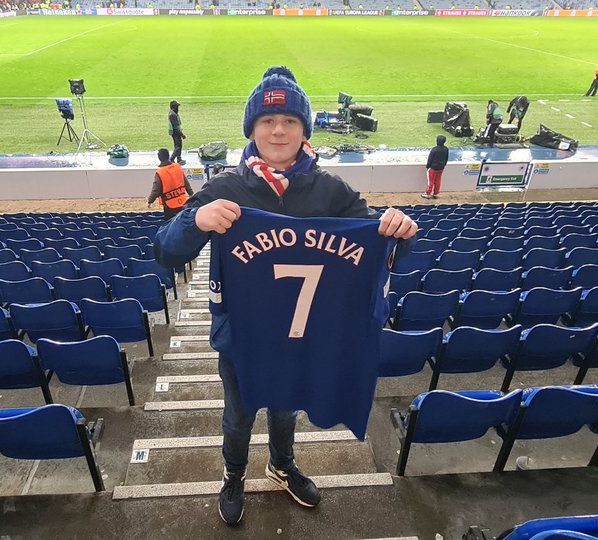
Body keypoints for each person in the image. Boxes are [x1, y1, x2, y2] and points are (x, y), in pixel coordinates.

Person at [152, 66, 418, 527]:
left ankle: (282, 463)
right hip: (244, 336)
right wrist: (194, 221)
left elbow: (376, 238)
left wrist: (400, 231)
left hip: (302, 335)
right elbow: (166, 251)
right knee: (238, 415)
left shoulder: (331, 190)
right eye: (268, 121)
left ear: (304, 129)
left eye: (290, 121)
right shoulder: (225, 189)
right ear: (252, 129)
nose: (279, 130)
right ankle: (233, 474)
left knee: (285, 407)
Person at [148, 148, 194, 220]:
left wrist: (150, 200)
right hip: (182, 202)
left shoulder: (160, 172)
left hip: (170, 205)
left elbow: (156, 190)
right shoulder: (177, 167)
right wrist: (190, 193)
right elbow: (186, 182)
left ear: (159, 158)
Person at [424, 134, 448, 199]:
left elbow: (430, 159)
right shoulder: (446, 149)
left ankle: (428, 193)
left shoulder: (434, 149)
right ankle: (435, 193)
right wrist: (443, 165)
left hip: (433, 168)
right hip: (441, 168)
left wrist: (428, 166)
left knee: (431, 181)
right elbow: (446, 159)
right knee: (438, 181)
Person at [168, 100, 186, 165]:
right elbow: (175, 127)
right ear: (173, 107)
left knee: (178, 146)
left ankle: (179, 159)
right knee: (178, 146)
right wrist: (182, 134)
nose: (178, 108)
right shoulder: (172, 114)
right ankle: (172, 159)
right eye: (176, 107)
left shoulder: (173, 113)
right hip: (176, 132)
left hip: (175, 132)